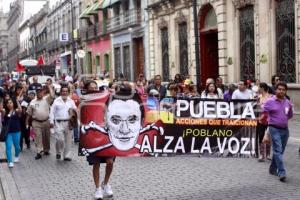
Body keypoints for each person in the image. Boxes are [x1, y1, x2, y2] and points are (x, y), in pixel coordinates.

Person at [82, 80, 114, 199]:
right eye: (91, 87)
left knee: (110, 162)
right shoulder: (84, 100)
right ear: (87, 89)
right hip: (93, 134)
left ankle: (105, 183)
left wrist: (111, 94)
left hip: (106, 133)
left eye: (96, 87)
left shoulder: (104, 98)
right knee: (96, 163)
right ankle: (97, 188)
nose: (94, 89)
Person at [262, 82, 293, 182]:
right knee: (278, 150)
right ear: (276, 90)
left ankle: (272, 168)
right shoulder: (270, 101)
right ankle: (282, 172)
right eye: (279, 89)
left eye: (283, 89)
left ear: (285, 91)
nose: (281, 91)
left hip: (285, 130)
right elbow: (262, 111)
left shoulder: (287, 102)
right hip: (274, 128)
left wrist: (283, 119)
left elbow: (290, 115)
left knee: (280, 151)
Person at [26, 84, 54, 159]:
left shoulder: (46, 99)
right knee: (38, 137)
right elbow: (29, 113)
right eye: (38, 92)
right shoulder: (33, 102)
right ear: (36, 93)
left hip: (46, 121)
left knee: (46, 137)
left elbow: (52, 95)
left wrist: (49, 86)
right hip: (36, 122)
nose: (39, 93)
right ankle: (39, 151)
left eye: (41, 92)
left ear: (43, 92)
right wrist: (26, 123)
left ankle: (46, 149)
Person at [49, 85, 77, 161]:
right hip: (58, 122)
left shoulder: (71, 101)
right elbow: (52, 112)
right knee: (59, 139)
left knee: (68, 140)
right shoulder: (56, 101)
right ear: (61, 92)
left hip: (68, 123)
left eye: (66, 91)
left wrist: (73, 112)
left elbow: (75, 110)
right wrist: (51, 122)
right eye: (63, 91)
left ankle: (66, 156)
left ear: (68, 92)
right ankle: (58, 152)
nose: (64, 93)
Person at [1, 97, 22, 168]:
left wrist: (17, 101)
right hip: (8, 133)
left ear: (13, 104)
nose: (9, 104)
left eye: (11, 103)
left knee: (18, 147)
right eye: (8, 103)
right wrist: (1, 101)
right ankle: (10, 161)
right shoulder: (4, 111)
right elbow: (1, 110)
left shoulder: (16, 111)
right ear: (6, 104)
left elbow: (20, 110)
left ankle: (16, 156)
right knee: (8, 147)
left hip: (16, 132)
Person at [257, 82, 272, 162]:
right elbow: (256, 108)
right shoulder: (258, 97)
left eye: (258, 87)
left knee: (268, 137)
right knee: (261, 136)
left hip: (269, 120)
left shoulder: (270, 97)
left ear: (262, 88)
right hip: (260, 120)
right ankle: (262, 155)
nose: (257, 89)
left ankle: (268, 154)